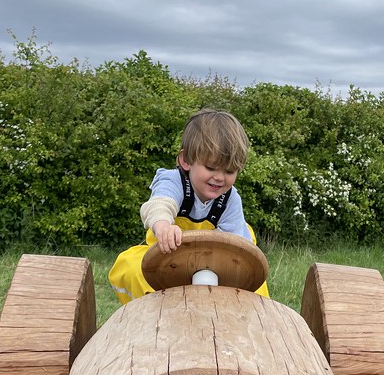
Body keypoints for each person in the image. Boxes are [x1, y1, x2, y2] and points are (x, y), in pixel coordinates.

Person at [108, 109, 269, 304]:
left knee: (257, 282)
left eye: (229, 171)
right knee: (131, 266)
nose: (219, 177)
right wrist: (163, 227)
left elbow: (238, 246)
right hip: (167, 260)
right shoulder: (173, 181)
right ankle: (152, 313)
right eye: (210, 167)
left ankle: (248, 324)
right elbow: (159, 205)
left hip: (215, 265)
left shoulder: (230, 199)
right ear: (186, 160)